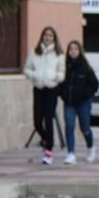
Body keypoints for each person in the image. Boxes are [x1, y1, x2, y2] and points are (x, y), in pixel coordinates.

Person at [24, 26, 65, 165]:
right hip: (38, 89)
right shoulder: (34, 52)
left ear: (54, 38)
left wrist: (55, 77)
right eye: (45, 35)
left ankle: (48, 152)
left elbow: (62, 73)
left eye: (50, 35)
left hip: (51, 89)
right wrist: (34, 76)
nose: (47, 37)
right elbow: (26, 69)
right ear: (42, 37)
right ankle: (47, 140)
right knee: (37, 121)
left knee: (48, 120)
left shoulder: (59, 54)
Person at [59, 40, 99, 165]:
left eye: (75, 49)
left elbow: (95, 84)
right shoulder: (65, 67)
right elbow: (60, 83)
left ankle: (91, 147)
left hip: (83, 103)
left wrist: (85, 95)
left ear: (79, 51)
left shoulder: (85, 67)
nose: (73, 51)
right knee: (69, 126)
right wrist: (63, 94)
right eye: (71, 49)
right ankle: (71, 154)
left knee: (85, 128)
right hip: (69, 103)